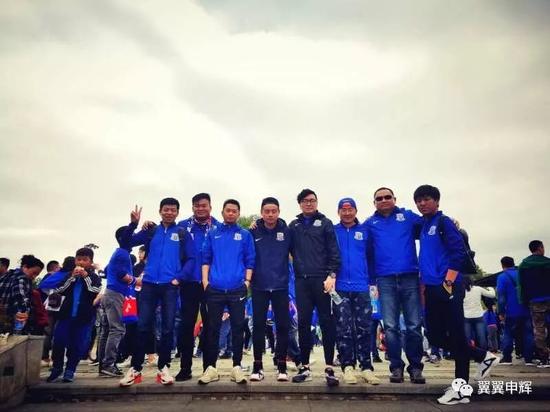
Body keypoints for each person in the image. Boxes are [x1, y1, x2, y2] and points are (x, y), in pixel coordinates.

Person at [414, 185, 499, 405]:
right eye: (419, 200)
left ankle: (461, 389)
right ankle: (482, 356)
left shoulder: (444, 222)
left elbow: (458, 252)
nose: (422, 203)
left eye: (426, 199)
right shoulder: (423, 225)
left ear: (437, 201)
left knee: (458, 336)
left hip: (448, 285)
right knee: (435, 336)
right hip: (432, 287)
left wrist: (449, 282)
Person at [119, 200, 196, 386]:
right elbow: (126, 243)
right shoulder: (151, 231)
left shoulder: (182, 233)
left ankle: (164, 367)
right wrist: (133, 224)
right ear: (160, 211)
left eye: (173, 210)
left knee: (168, 328)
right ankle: (136, 368)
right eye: (166, 209)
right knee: (143, 326)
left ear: (177, 212)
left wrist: (179, 278)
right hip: (149, 284)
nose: (169, 212)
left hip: (170, 285)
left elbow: (192, 258)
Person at [364, 187, 425, 384]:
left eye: (387, 197)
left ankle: (416, 367)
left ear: (395, 199)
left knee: (414, 325)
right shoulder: (369, 224)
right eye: (379, 198)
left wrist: (450, 222)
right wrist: (371, 280)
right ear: (374, 203)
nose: (383, 200)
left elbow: (429, 222)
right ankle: (396, 367)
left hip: (410, 277)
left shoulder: (407, 217)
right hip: (385, 279)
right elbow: (362, 248)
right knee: (390, 327)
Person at [198, 199, 255, 384]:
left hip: (237, 288)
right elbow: (206, 259)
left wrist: (246, 282)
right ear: (222, 212)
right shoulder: (213, 233)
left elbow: (250, 259)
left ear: (238, 213)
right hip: (214, 288)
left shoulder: (245, 235)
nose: (231, 213)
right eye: (228, 210)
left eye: (234, 211)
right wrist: (205, 282)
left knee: (238, 328)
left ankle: (236, 367)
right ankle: (211, 368)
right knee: (212, 329)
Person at [289, 189, 340, 386]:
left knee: (326, 322)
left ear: (316, 202)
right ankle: (304, 367)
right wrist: (257, 224)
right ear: (300, 204)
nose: (308, 203)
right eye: (305, 201)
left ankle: (329, 368)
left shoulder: (325, 223)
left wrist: (331, 275)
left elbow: (334, 252)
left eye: (312, 200)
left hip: (322, 281)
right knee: (303, 323)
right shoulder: (293, 225)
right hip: (302, 281)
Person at [333, 198, 380, 385]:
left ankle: (366, 367)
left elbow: (372, 257)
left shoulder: (365, 231)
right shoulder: (332, 231)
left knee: (365, 328)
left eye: (350, 209)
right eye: (343, 210)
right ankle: (347, 366)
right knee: (343, 327)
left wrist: (372, 283)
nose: (347, 213)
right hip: (339, 288)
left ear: (355, 211)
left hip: (362, 287)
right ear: (338, 212)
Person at [175, 193, 220, 381]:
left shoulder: (219, 227)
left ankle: (210, 368)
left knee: (211, 326)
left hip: (211, 284)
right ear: (192, 207)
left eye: (204, 205)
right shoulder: (181, 227)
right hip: (188, 283)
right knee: (186, 326)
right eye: (197, 206)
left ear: (210, 207)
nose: (200, 208)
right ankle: (185, 368)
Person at [42, 248, 102, 383]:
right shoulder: (68, 275)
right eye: (79, 259)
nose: (81, 262)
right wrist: (71, 278)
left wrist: (86, 277)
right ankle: (57, 368)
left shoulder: (94, 277)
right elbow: (58, 290)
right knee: (58, 342)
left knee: (77, 344)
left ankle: (70, 370)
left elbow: (95, 290)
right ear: (75, 261)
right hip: (65, 316)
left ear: (90, 262)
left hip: (83, 317)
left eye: (85, 260)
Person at [249, 197, 291, 382]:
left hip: (281, 286)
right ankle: (257, 366)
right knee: (258, 326)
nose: (270, 214)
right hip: (259, 286)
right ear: (261, 212)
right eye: (267, 211)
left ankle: (281, 365)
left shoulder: (287, 232)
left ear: (279, 212)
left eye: (274, 211)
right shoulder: (252, 231)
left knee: (282, 326)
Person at [98, 226, 139, 377]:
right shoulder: (123, 254)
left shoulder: (118, 253)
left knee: (107, 331)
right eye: (132, 235)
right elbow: (122, 274)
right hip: (116, 293)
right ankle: (108, 364)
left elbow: (106, 270)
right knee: (117, 329)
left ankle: (104, 364)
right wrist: (137, 280)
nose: (134, 238)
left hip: (110, 292)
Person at [517, 240, 550, 368]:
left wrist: (524, 301)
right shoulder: (548, 262)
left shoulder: (523, 265)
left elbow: (521, 286)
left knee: (539, 328)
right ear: (540, 248)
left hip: (535, 301)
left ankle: (544, 358)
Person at [497, 256, 535, 365]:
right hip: (526, 309)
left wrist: (501, 312)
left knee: (508, 334)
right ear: (513, 263)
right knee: (528, 334)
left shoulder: (502, 277)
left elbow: (501, 297)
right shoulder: (522, 274)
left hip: (511, 310)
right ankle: (529, 359)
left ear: (502, 265)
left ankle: (507, 358)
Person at [0, 255, 44, 334]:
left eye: (37, 275)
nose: (34, 277)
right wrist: (24, 311)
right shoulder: (22, 278)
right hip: (11, 323)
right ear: (25, 267)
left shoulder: (6, 275)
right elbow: (20, 297)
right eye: (34, 273)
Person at [463, 276, 495, 350]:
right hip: (478, 316)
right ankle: (483, 353)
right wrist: (490, 288)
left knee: (467, 337)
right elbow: (492, 295)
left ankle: (469, 353)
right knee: (481, 336)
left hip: (466, 316)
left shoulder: (461, 291)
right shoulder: (478, 289)